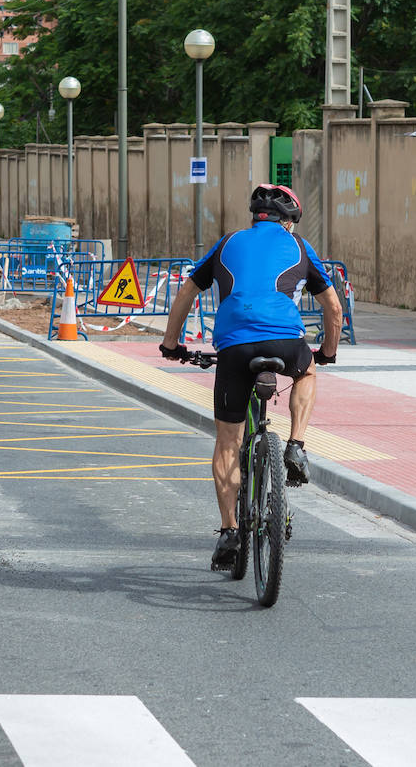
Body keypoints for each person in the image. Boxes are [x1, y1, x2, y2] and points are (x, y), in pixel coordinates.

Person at [160, 183, 343, 572]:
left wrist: (171, 345)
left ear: (254, 217)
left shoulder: (228, 243)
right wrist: (326, 351)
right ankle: (296, 444)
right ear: (289, 222)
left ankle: (229, 532)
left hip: (234, 348)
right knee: (307, 369)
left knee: (229, 442)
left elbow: (186, 293)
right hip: (285, 345)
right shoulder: (299, 246)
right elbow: (333, 307)